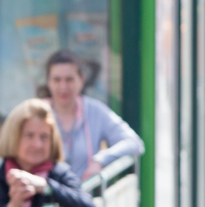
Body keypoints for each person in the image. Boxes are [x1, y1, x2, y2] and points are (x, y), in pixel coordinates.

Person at [42, 51, 144, 181]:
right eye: (57, 80)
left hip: (83, 196)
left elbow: (134, 143)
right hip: (46, 196)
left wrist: (100, 160)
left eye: (69, 79)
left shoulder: (95, 110)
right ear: (48, 81)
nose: (63, 87)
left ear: (82, 79)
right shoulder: (38, 112)